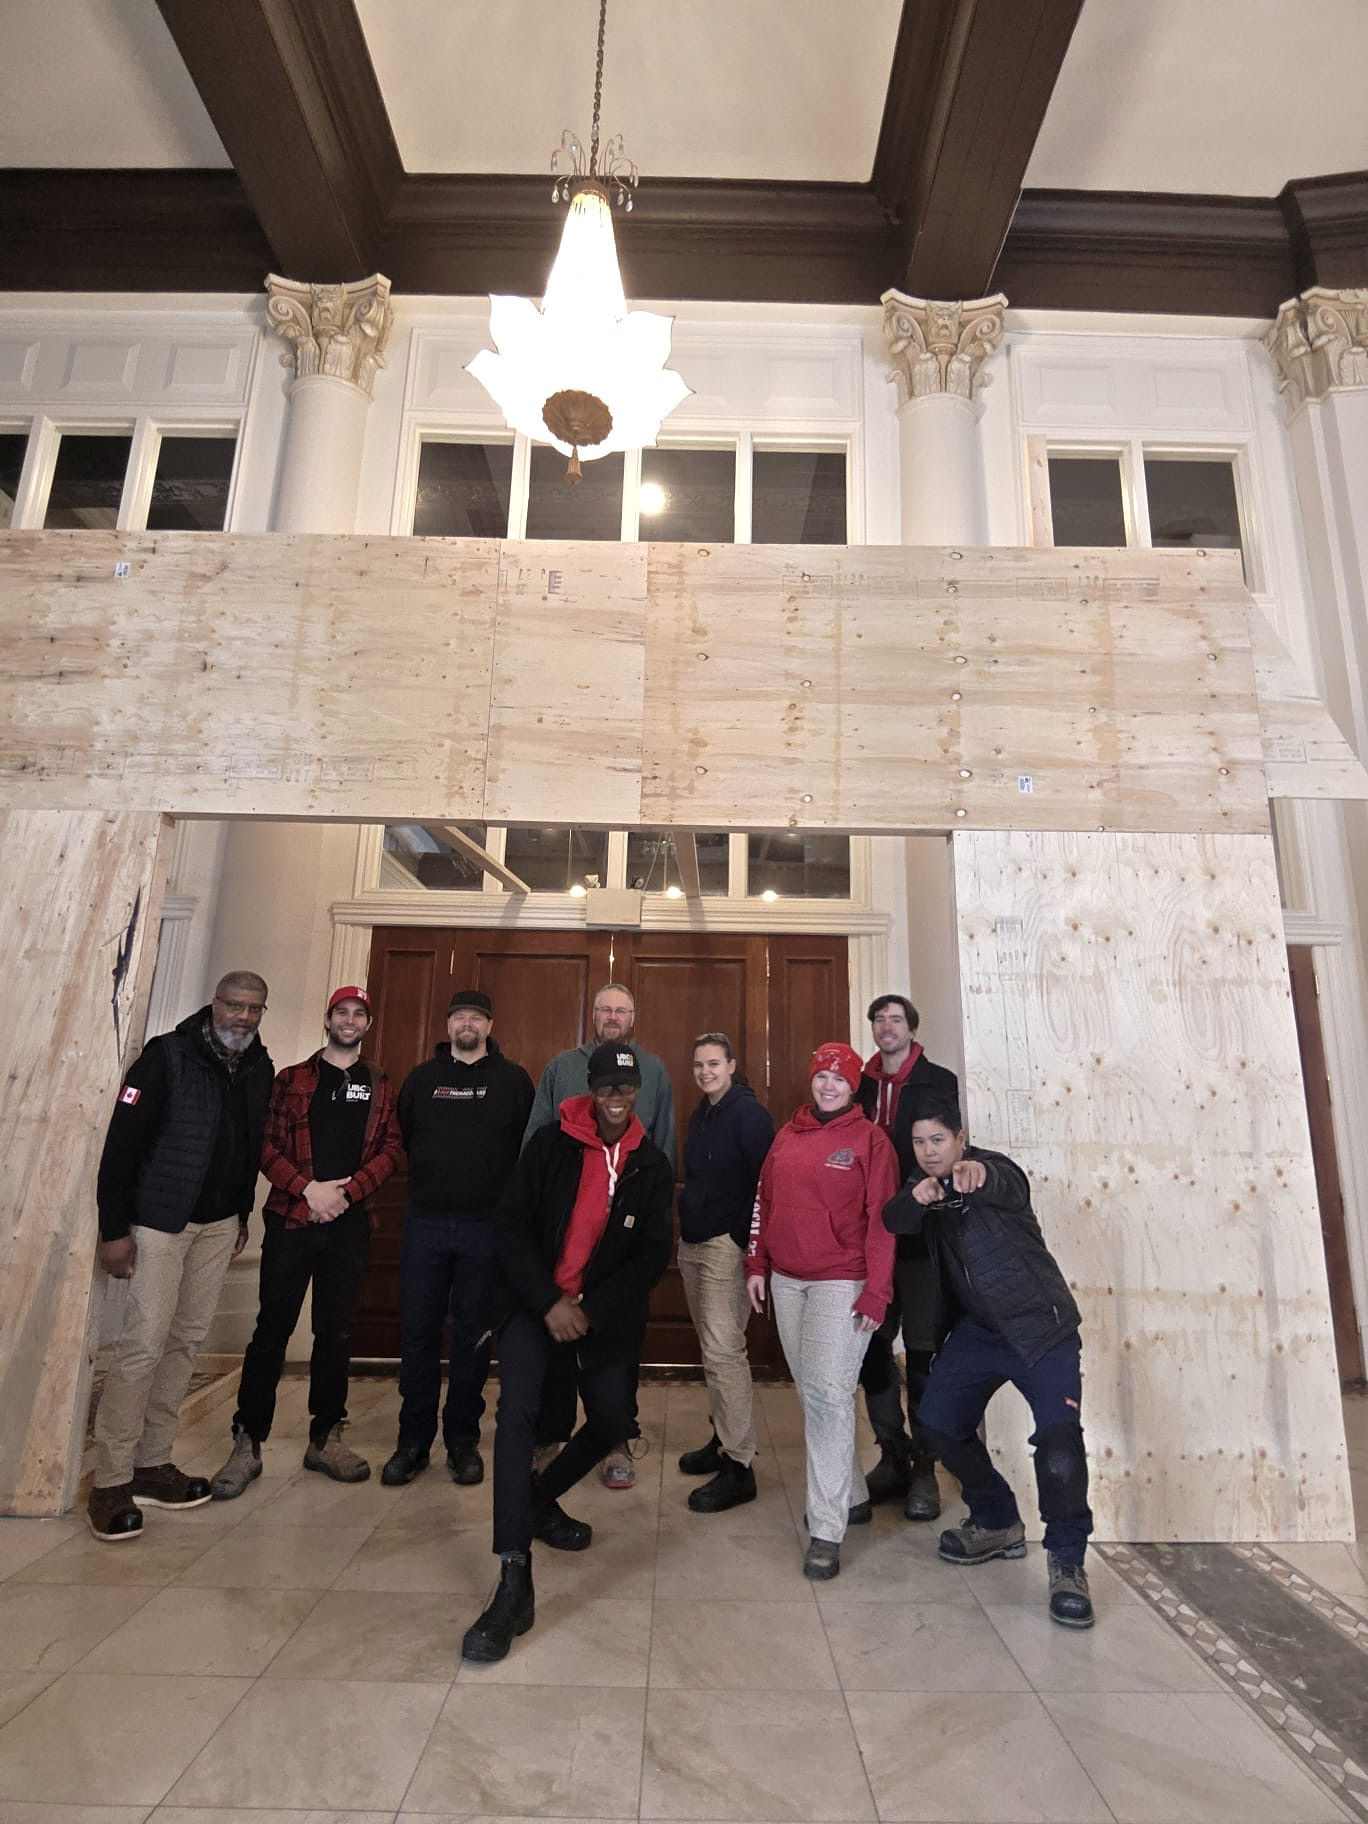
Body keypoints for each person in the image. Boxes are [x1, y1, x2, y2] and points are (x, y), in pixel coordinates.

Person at [461, 1042, 673, 1663]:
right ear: (590, 1089)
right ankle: (513, 1577)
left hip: (601, 1316)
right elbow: (511, 1228)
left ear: (637, 1093)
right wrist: (550, 1302)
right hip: (535, 1305)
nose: (615, 1098)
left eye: (625, 1089)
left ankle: (536, 1500)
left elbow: (649, 1256)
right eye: (606, 1087)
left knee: (612, 1420)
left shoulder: (650, 1164)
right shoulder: (550, 1145)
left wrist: (589, 1310)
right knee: (517, 1419)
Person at [883, 1101, 1095, 1628]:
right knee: (936, 1423)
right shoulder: (924, 1185)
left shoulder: (992, 1170)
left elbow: (1007, 1184)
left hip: (1040, 1328)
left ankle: (1068, 1562)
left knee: (1059, 1444)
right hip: (980, 1333)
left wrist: (976, 1173)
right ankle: (998, 1520)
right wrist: (917, 1196)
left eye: (938, 1140)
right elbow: (893, 1218)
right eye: (919, 1142)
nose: (929, 1151)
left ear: (961, 1138)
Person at [87, 971, 274, 1542]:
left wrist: (242, 1213)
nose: (243, 1017)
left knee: (186, 1341)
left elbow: (248, 1146)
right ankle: (110, 1480)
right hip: (161, 1223)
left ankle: (152, 1464)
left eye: (254, 1009)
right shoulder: (166, 1057)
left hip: (219, 1227)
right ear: (214, 1003)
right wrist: (114, 1229)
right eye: (235, 1005)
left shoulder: (259, 1067)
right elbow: (121, 1146)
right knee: (143, 1344)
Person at [210, 985, 403, 1499]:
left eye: (358, 1014)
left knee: (335, 1333)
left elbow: (390, 1150)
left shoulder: (380, 1083)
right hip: (292, 1221)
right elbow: (265, 1145)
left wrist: (345, 1193)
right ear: (328, 1019)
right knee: (271, 1331)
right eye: (341, 1012)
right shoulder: (291, 1079)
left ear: (367, 1023)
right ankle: (247, 1440)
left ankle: (326, 1437)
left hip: (350, 1224)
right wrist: (308, 1189)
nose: (349, 1020)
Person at [745, 1042, 898, 1580]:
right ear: (811, 1080)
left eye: (840, 1079)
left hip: (843, 1280)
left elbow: (883, 1222)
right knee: (815, 1391)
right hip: (787, 1279)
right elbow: (763, 1201)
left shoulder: (871, 1141)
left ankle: (827, 1530)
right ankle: (852, 1494)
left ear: (853, 1087)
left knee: (829, 1395)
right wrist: (756, 1263)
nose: (829, 1086)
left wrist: (877, 1291)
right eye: (822, 1077)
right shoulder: (787, 1135)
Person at [524, 982, 676, 1489]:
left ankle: (615, 1439)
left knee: (617, 1352)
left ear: (633, 1018)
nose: (612, 1017)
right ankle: (550, 1438)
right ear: (592, 1015)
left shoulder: (655, 1072)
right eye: (605, 1009)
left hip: (623, 1242)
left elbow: (663, 1146)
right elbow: (537, 1144)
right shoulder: (560, 1068)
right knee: (554, 1357)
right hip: (563, 1241)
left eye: (621, 1011)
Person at [380, 988, 535, 1488]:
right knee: (418, 1335)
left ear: (489, 1026)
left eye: (476, 1017)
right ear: (448, 1026)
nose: (467, 1024)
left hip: (485, 1228)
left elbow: (526, 1148)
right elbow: (405, 1135)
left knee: (473, 1338)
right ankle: (412, 1442)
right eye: (459, 1017)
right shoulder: (422, 1079)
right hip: (425, 1225)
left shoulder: (514, 1081)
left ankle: (462, 1441)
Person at [855, 993, 958, 1520]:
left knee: (921, 1352)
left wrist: (907, 1202)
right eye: (879, 1019)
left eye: (895, 1019)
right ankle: (892, 1453)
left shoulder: (938, 1081)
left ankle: (924, 1468)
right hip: (870, 1240)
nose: (886, 1026)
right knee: (871, 1346)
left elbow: (942, 1152)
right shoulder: (861, 1084)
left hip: (919, 1238)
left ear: (911, 1029)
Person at [675, 1032, 775, 1513]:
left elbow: (766, 1184)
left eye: (713, 1063)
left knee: (724, 1352)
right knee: (711, 1351)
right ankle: (722, 1439)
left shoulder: (748, 1115)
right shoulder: (702, 1113)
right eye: (699, 1064)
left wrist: (742, 1241)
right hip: (693, 1243)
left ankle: (739, 1465)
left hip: (724, 1247)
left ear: (732, 1066)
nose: (705, 1072)